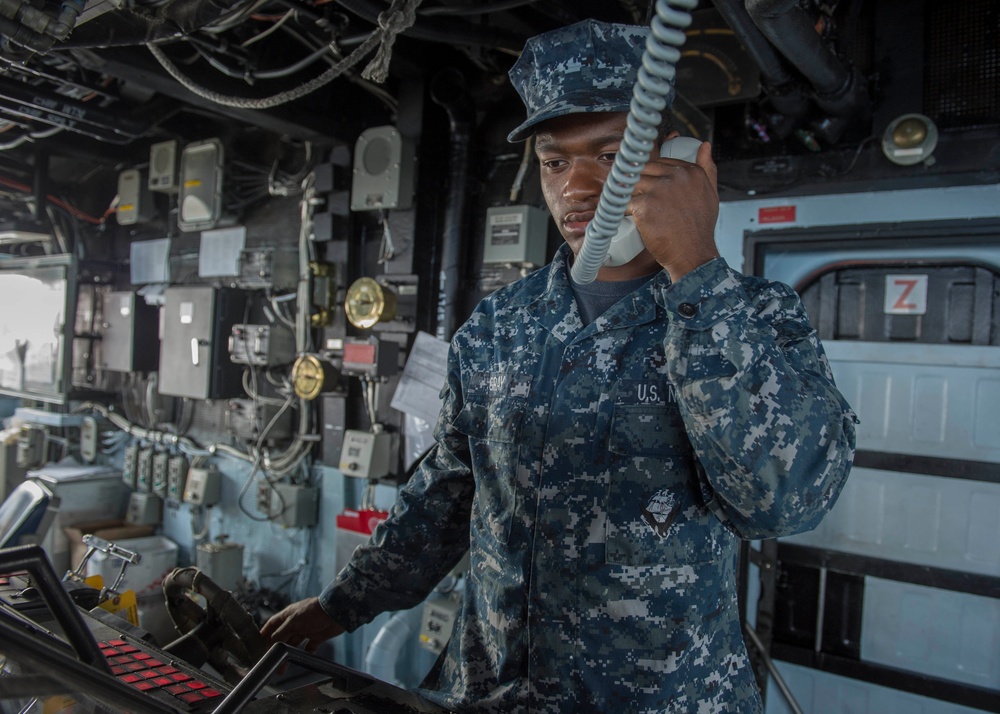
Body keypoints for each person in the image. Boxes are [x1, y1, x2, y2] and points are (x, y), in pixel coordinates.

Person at [262, 18, 858, 713]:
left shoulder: (752, 314)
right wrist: (340, 605)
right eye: (554, 161)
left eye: (609, 154)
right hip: (495, 695)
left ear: (680, 157)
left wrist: (696, 270)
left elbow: (784, 500)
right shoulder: (499, 324)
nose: (577, 187)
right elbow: (449, 494)